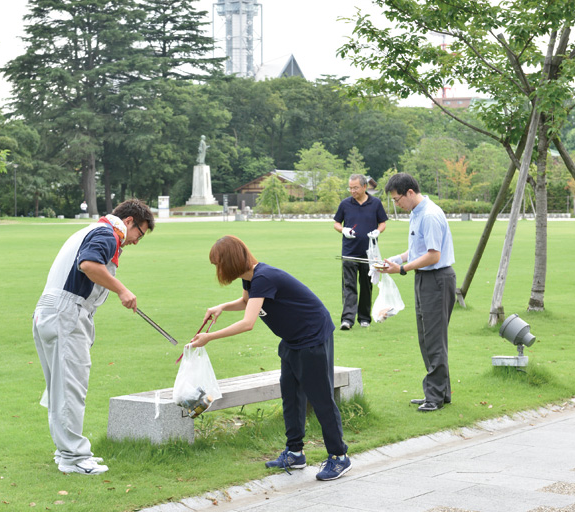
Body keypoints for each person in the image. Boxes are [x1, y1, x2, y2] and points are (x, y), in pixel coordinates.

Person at [190, 236, 351, 481]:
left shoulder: (263, 277)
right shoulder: (250, 278)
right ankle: (295, 453)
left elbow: (248, 322)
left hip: (312, 337)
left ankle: (340, 457)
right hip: (291, 340)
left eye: (218, 264)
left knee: (320, 399)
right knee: (291, 395)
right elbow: (247, 302)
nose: (218, 270)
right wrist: (221, 307)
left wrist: (209, 337)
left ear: (231, 261)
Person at [33, 199, 154, 474]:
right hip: (66, 312)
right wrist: (122, 290)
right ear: (130, 221)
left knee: (60, 387)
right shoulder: (107, 233)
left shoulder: (93, 230)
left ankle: (66, 451)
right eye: (140, 234)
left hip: (51, 311)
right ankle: (74, 458)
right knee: (71, 386)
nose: (136, 241)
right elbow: (88, 264)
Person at [377, 173, 456, 412]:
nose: (397, 205)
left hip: (437, 279)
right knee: (426, 337)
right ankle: (439, 392)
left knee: (434, 339)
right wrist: (393, 260)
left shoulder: (430, 215)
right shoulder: (416, 214)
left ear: (410, 192)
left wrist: (401, 269)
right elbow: (417, 251)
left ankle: (435, 396)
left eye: (397, 199)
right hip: (424, 278)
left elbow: (434, 255)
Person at [333, 174, 388, 330]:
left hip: (369, 253)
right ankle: (347, 320)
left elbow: (382, 223)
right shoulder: (345, 204)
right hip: (349, 251)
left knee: (366, 285)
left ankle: (364, 318)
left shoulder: (375, 203)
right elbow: (336, 223)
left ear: (365, 187)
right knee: (349, 286)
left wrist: (378, 231)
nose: (352, 191)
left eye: (355, 187)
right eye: (350, 188)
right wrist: (343, 229)